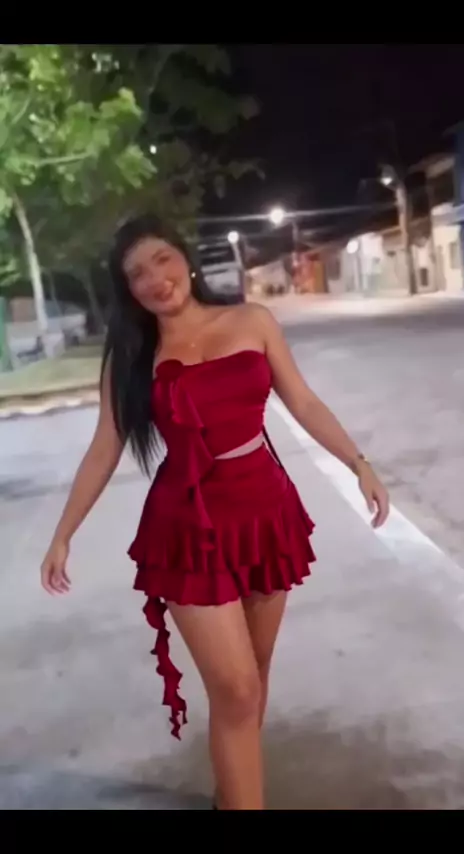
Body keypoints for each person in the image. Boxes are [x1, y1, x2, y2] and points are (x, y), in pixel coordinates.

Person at [40, 214, 389, 811]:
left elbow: (302, 401)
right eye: (137, 274)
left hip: (264, 515)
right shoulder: (132, 356)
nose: (155, 278)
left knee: (253, 679)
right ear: (128, 290)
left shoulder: (252, 321)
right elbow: (106, 445)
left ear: (186, 258)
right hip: (188, 527)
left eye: (162, 259)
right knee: (235, 689)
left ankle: (233, 797)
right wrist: (63, 533)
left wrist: (358, 462)